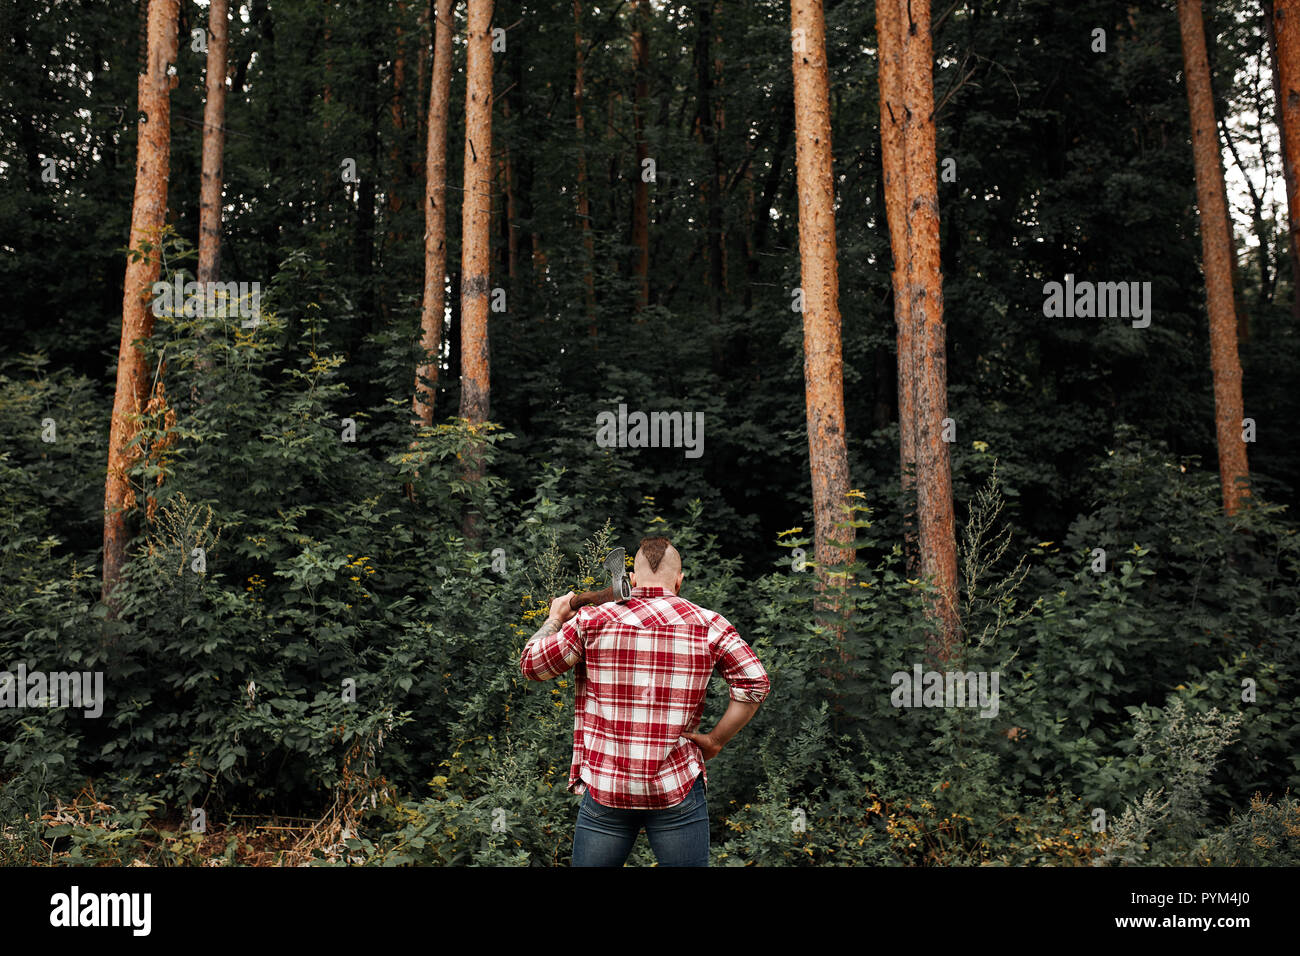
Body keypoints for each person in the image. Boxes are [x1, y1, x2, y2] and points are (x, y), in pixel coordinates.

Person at [520, 536, 770, 867]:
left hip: (608, 788)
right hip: (676, 788)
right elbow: (754, 684)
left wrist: (555, 617)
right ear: (679, 581)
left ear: (632, 580)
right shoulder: (710, 625)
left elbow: (531, 665)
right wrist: (715, 740)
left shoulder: (591, 620)